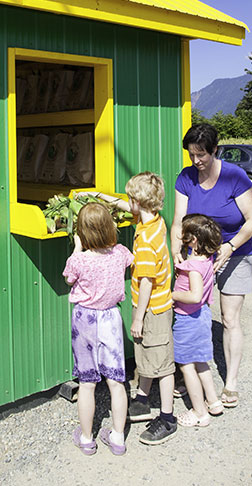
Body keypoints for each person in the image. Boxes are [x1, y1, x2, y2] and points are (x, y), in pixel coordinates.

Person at [79, 172, 178, 445]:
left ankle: (168, 417)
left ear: (138, 202)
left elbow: (146, 281)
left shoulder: (146, 241)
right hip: (155, 307)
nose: (127, 203)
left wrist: (137, 318)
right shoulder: (152, 221)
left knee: (163, 364)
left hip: (152, 309)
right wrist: (101, 198)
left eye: (129, 199)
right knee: (147, 356)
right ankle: (143, 399)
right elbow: (125, 207)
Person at [172, 123, 252, 407]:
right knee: (194, 313)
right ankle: (192, 373)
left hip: (234, 253)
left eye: (201, 155)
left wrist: (230, 246)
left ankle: (230, 383)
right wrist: (177, 251)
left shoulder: (235, 177)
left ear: (214, 150)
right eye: (191, 155)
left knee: (230, 318)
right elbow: (178, 221)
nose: (196, 161)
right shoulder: (186, 177)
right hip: (198, 257)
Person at [63, 202, 133, 456]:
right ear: (109, 226)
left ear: (81, 232)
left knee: (87, 383)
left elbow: (69, 277)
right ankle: (117, 438)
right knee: (116, 381)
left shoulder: (78, 260)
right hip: (111, 319)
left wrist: (78, 248)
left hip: (85, 319)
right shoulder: (121, 253)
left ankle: (85, 438)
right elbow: (130, 260)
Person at [172, 213, 224, 427]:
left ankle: (199, 412)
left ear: (193, 240)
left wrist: (172, 295)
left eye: (184, 234)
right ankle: (213, 402)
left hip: (188, 320)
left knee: (187, 366)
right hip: (203, 316)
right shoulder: (207, 260)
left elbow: (194, 295)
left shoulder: (192, 267)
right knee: (201, 362)